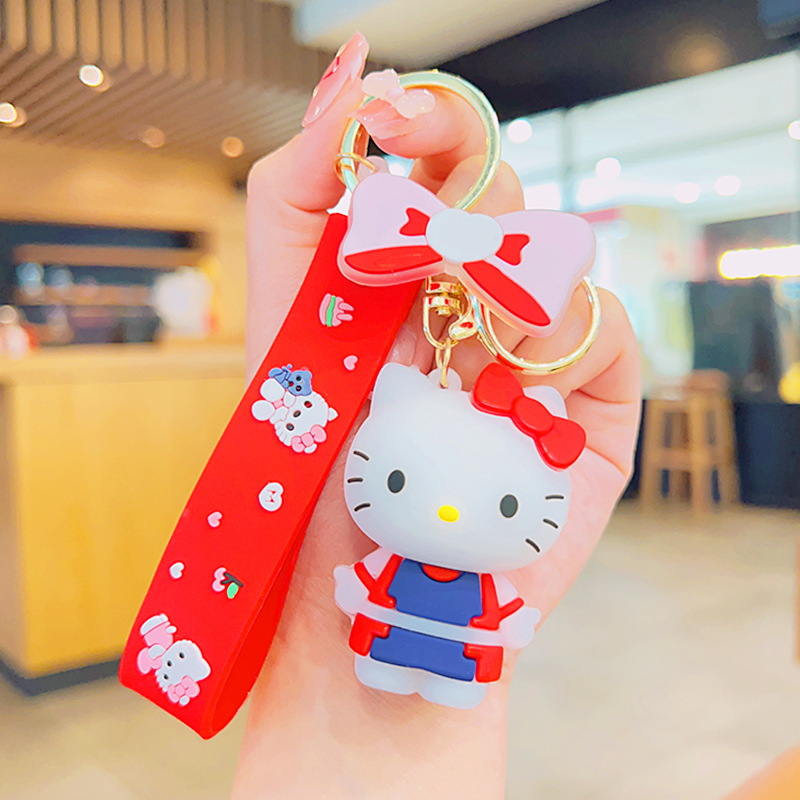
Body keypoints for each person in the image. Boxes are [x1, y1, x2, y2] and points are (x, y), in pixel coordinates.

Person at [233, 32, 641, 799]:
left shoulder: (479, 567)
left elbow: (497, 613)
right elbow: (364, 585)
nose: (450, 512)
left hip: (447, 665)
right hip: (372, 650)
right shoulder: (392, 469)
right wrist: (324, 653)